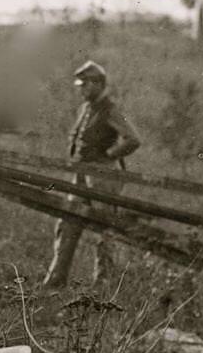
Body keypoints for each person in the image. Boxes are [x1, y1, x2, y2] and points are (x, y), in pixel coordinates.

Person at [42, 60, 142, 289]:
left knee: (104, 227)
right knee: (67, 220)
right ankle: (56, 279)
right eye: (80, 84)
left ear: (98, 84)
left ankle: (103, 283)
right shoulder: (85, 108)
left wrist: (108, 154)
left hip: (102, 176)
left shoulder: (111, 109)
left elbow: (133, 139)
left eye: (86, 84)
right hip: (80, 174)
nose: (81, 89)